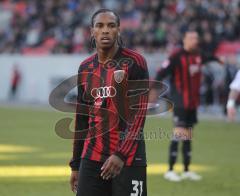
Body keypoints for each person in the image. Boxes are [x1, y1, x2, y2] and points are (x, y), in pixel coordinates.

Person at [69, 9, 149, 196]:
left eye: (111, 26)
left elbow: (139, 115)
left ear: (118, 30)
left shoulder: (135, 62)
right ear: (92, 32)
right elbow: (82, 118)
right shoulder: (85, 67)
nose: (105, 30)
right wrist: (75, 165)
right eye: (100, 25)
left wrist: (121, 154)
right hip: (92, 157)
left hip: (129, 159)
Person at [151, 30, 221, 181]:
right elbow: (161, 72)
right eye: (191, 38)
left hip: (193, 103)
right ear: (184, 40)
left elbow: (211, 58)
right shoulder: (176, 56)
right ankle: (169, 170)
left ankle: (187, 170)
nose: (195, 40)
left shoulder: (199, 55)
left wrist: (220, 60)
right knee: (178, 134)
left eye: (196, 37)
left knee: (188, 136)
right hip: (181, 102)